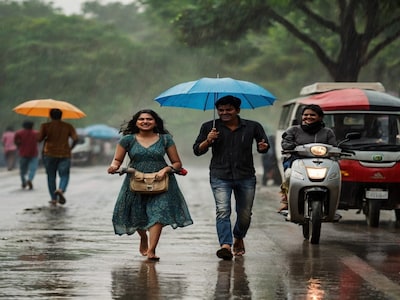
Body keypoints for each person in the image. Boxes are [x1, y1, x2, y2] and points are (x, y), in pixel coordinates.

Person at [107, 109, 193, 261]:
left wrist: (166, 169)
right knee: (137, 214)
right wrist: (114, 166)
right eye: (141, 119)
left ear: (155, 122)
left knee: (158, 215)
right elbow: (117, 160)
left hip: (162, 182)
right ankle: (143, 237)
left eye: (149, 119)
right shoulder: (127, 139)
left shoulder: (165, 139)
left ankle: (152, 250)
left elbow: (177, 163)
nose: (145, 122)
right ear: (136, 122)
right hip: (135, 181)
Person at [193, 95, 270, 260]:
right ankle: (225, 246)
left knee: (245, 213)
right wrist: (208, 140)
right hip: (220, 175)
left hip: (246, 175)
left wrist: (263, 147)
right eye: (221, 110)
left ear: (237, 110)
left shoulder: (253, 126)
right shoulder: (209, 127)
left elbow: (263, 146)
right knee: (222, 211)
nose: (224, 113)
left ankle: (239, 237)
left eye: (229, 109)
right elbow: (197, 150)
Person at [278, 104, 337, 211]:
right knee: (288, 174)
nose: (308, 117)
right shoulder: (293, 130)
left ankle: (332, 204)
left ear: (320, 117)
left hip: (323, 162)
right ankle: (286, 199)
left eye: (312, 115)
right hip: (296, 160)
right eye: (305, 115)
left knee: (335, 175)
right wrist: (291, 146)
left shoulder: (328, 132)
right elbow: (285, 142)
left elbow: (334, 147)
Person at [37, 108, 78, 205]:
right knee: (64, 174)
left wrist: (46, 134)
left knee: (51, 176)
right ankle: (61, 189)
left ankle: (54, 198)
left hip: (49, 154)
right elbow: (76, 138)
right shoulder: (68, 126)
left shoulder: (45, 126)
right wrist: (70, 148)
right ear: (61, 116)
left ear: (50, 116)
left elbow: (39, 139)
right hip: (64, 154)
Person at [14, 120, 39, 189]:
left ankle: (23, 182)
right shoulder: (36, 133)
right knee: (33, 169)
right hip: (33, 153)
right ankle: (30, 179)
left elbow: (16, 142)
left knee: (22, 170)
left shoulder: (19, 133)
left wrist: (19, 146)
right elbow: (39, 140)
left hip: (23, 153)